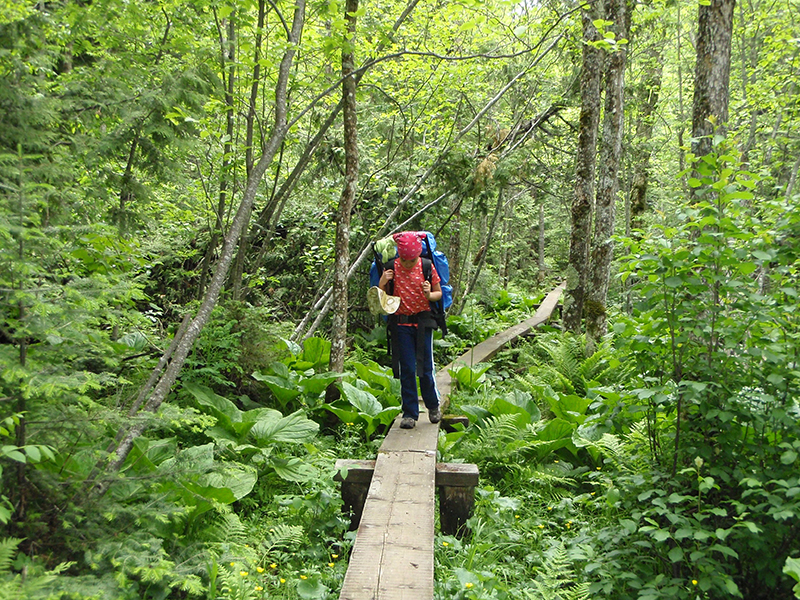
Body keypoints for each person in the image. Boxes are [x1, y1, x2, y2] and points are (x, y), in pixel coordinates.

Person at [378, 231, 443, 429]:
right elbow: (380, 298)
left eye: (411, 259)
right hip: (401, 324)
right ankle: (409, 413)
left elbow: (438, 294)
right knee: (407, 368)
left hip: (423, 323)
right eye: (404, 260)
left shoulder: (426, 266)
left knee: (425, 369)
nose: (407, 264)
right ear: (399, 255)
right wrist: (382, 281)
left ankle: (432, 406)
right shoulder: (391, 268)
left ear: (417, 256)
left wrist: (428, 294)